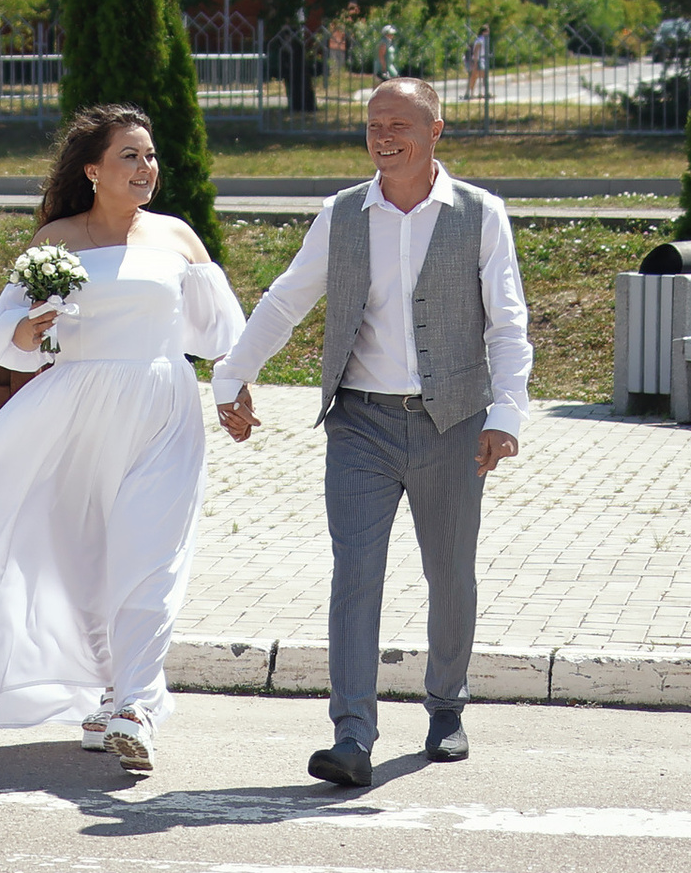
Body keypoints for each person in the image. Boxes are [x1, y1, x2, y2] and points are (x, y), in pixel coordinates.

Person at [213, 78, 532, 788]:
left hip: (453, 423)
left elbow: (509, 326)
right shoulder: (343, 213)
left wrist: (506, 415)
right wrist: (231, 374)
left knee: (450, 574)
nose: (384, 137)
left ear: (436, 131)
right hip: (359, 421)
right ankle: (352, 736)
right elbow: (288, 297)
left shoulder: (481, 214)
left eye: (399, 124)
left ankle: (446, 708)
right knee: (355, 574)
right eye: (372, 126)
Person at [0, 104, 247, 777]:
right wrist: (31, 329)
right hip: (74, 414)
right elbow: (7, 332)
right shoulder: (57, 238)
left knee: (151, 557)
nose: (146, 167)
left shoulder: (179, 239)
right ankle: (110, 690)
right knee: (85, 560)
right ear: (94, 169)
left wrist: (232, 391)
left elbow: (222, 334)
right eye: (130, 155)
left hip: (162, 409)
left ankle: (135, 707)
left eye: (151, 155)